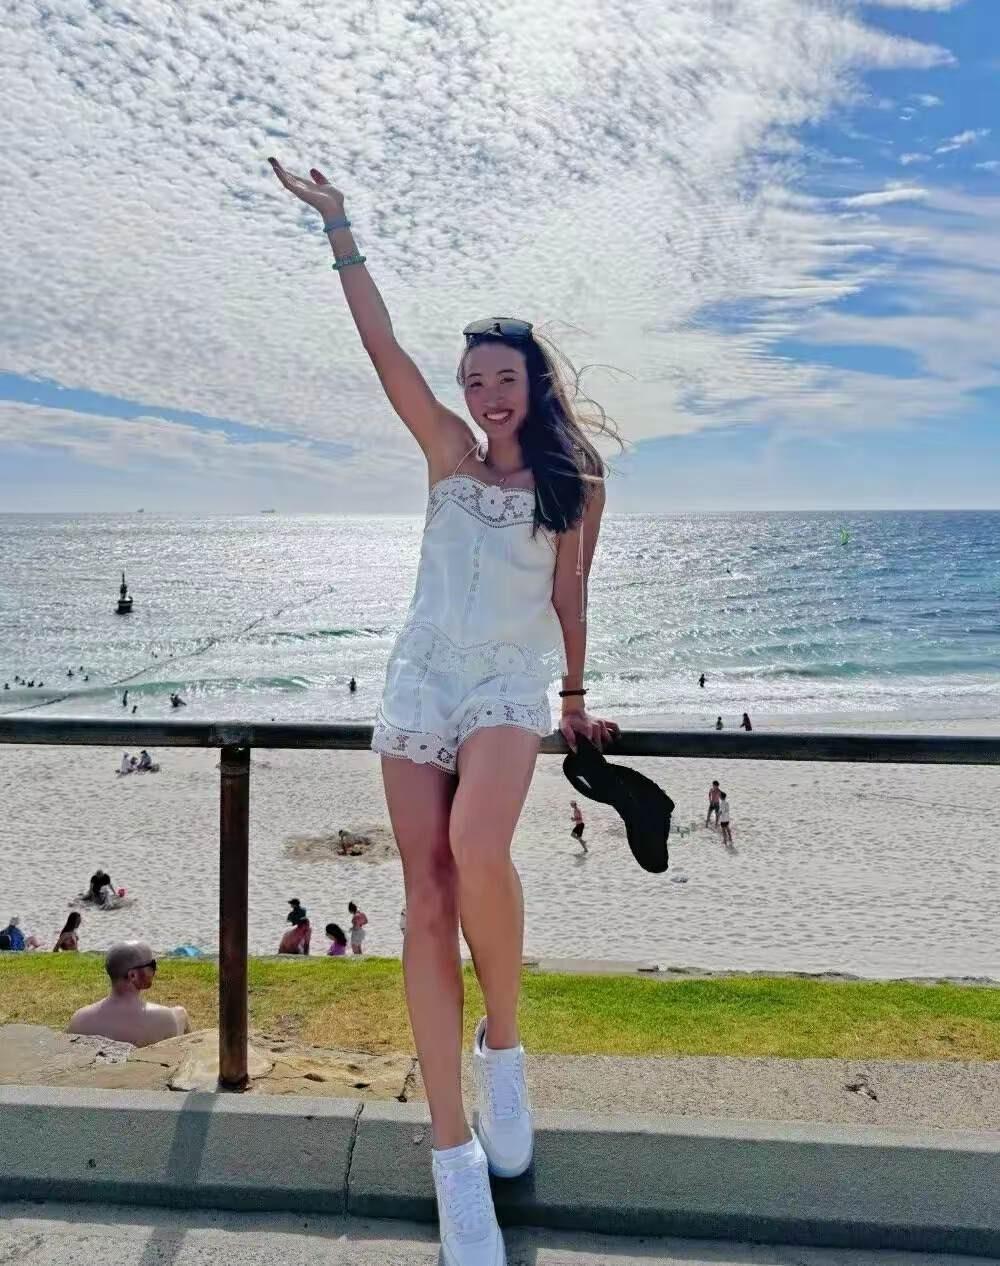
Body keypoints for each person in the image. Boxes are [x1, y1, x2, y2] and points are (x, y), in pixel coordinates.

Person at [268, 155, 624, 1264]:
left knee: (476, 850)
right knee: (423, 899)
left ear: (535, 382)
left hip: (508, 685)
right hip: (421, 678)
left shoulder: (577, 479)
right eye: (472, 380)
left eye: (503, 376)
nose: (485, 394)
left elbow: (570, 596)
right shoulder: (444, 455)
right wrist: (340, 227)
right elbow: (381, 348)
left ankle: (502, 1050)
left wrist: (576, 696)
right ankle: (452, 1154)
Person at [67, 941, 189, 1046]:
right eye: (152, 965)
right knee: (181, 1013)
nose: (156, 969)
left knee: (180, 1012)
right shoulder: (164, 1018)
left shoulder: (79, 1020)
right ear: (133, 975)